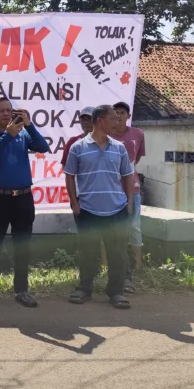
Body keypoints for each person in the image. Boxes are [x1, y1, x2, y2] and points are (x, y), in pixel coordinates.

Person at [0, 97, 50, 307]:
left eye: (10, 111)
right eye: (2, 111)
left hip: (24, 198)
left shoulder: (24, 134)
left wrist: (29, 124)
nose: (7, 114)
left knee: (23, 245)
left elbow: (43, 148)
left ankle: (22, 290)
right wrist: (8, 135)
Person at [64, 105, 134, 309]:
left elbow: (127, 176)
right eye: (113, 118)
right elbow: (69, 175)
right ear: (100, 121)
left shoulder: (119, 147)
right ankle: (84, 289)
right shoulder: (78, 147)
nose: (117, 121)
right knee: (88, 252)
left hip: (117, 210)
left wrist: (129, 203)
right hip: (88, 210)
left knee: (118, 254)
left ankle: (116, 292)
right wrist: (74, 203)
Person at [111, 101, 146, 294]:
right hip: (111, 188)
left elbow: (136, 160)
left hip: (131, 187)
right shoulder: (106, 135)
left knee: (133, 226)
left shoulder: (138, 134)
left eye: (122, 112)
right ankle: (109, 265)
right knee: (110, 229)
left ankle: (137, 265)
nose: (118, 116)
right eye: (115, 113)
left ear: (128, 115)